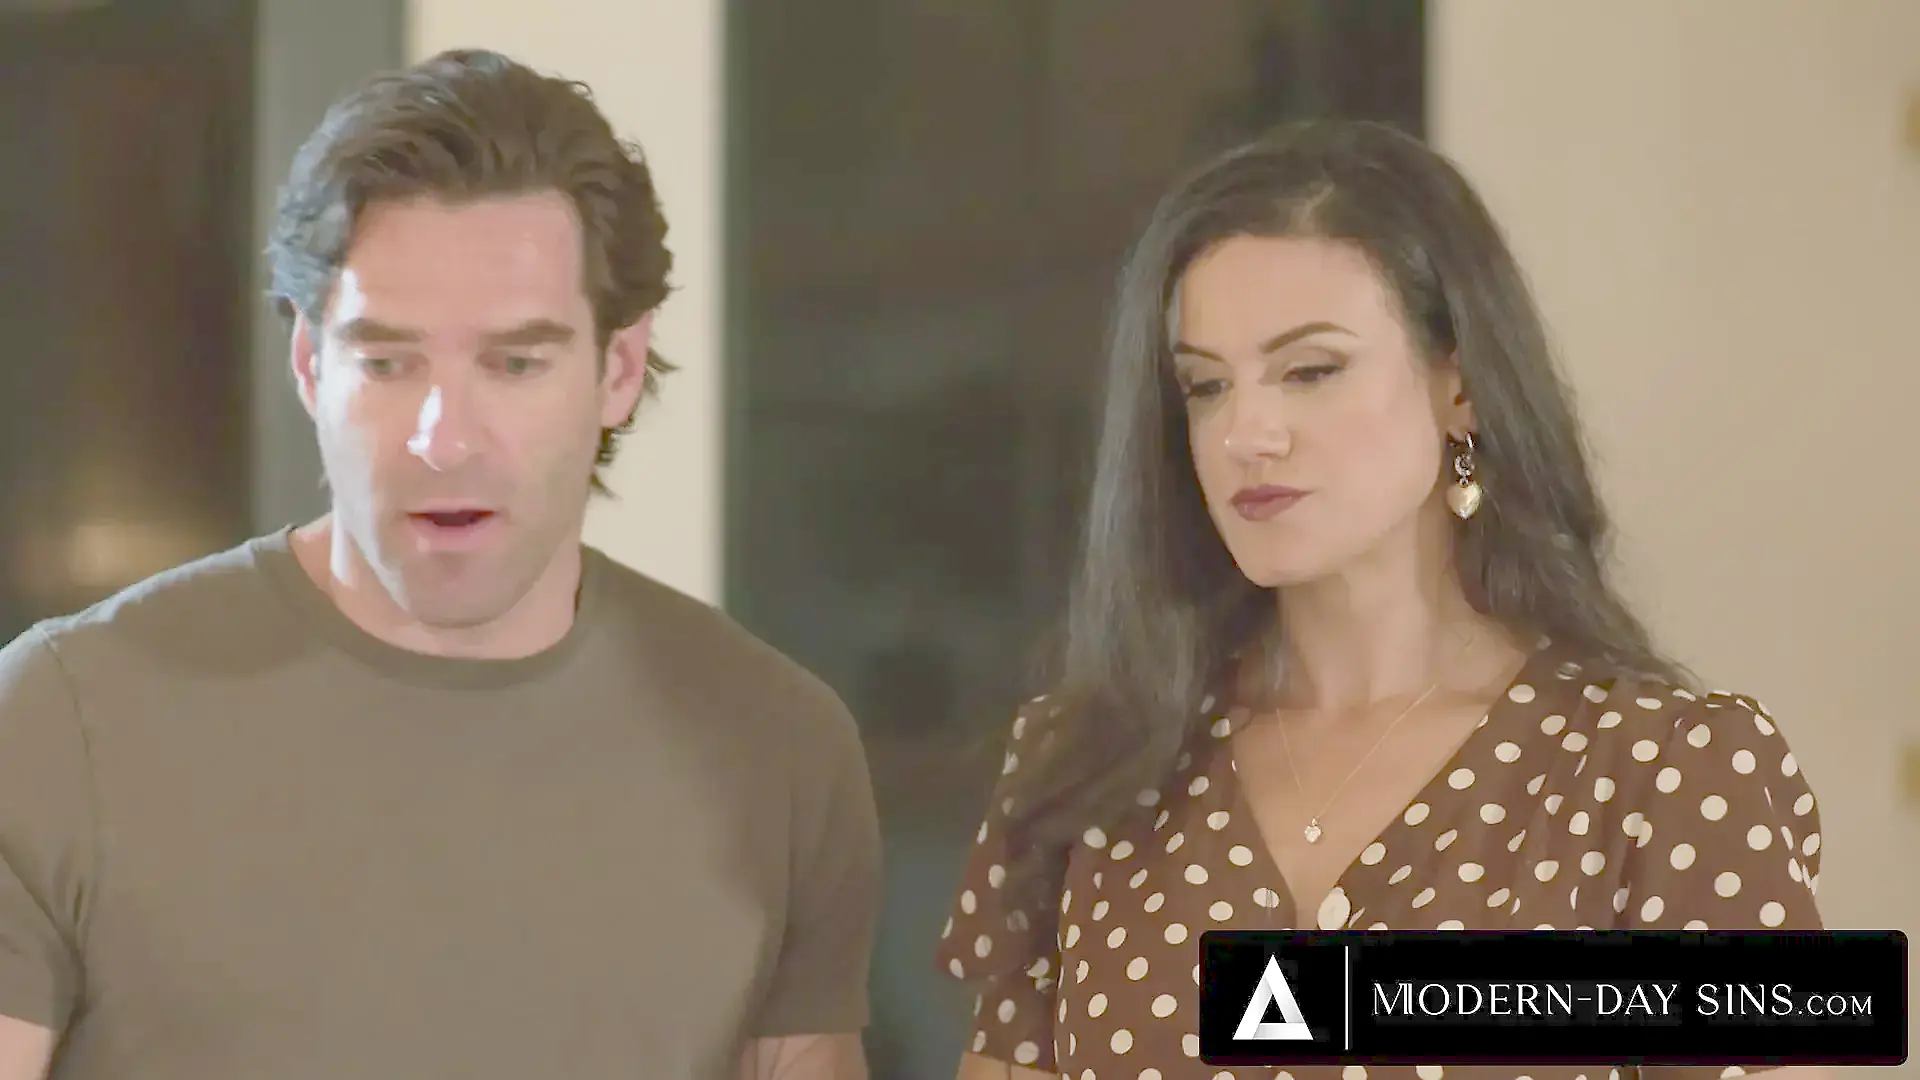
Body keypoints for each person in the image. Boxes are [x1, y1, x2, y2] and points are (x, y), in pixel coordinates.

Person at [0, 49, 878, 1080]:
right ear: (310, 365)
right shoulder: (60, 725)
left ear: (619, 368)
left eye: (515, 363)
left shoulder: (778, 749)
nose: (444, 439)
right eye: (387, 362)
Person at [935, 119, 1826, 1080]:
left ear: (1461, 387)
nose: (1247, 433)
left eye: (1310, 371)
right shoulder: (1085, 768)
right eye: (1205, 386)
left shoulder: (1668, 773)